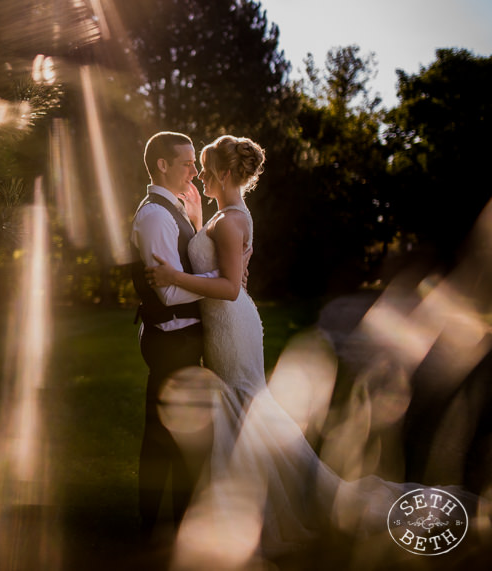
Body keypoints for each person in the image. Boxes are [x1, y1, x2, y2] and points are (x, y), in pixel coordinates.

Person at [144, 135, 483, 560]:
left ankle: (254, 510)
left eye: (207, 171)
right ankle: (242, 506)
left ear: (225, 174)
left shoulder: (229, 221)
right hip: (228, 323)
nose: (200, 178)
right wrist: (196, 221)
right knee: (244, 411)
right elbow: (225, 271)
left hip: (231, 325)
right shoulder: (226, 216)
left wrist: (174, 278)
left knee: (243, 405)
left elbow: (230, 288)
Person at [128, 131, 212, 544]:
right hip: (171, 339)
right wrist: (222, 282)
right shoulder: (156, 216)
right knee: (171, 436)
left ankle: (168, 522)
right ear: (162, 164)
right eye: (187, 163)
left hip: (179, 337)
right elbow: (170, 291)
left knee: (173, 435)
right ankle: (163, 527)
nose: (194, 171)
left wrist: (196, 222)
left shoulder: (172, 208)